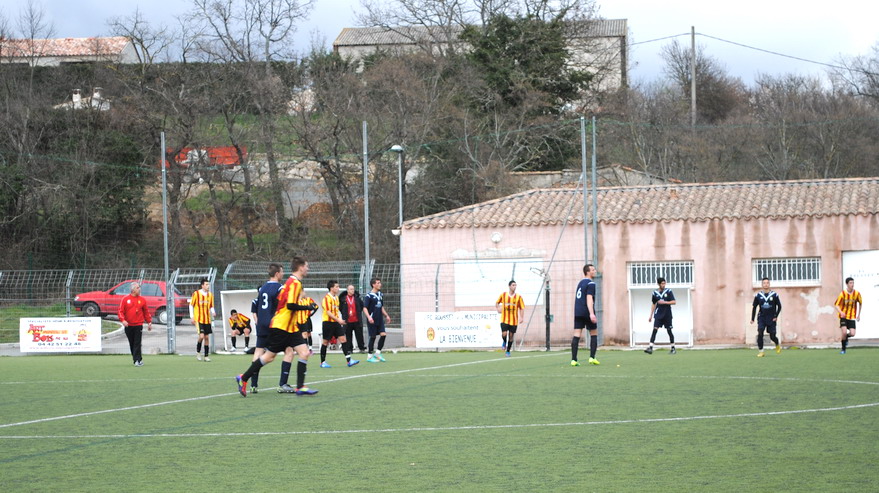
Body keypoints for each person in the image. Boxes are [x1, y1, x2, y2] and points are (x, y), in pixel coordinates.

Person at [235, 256, 319, 397]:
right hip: (281, 326)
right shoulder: (294, 283)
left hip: (290, 328)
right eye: (306, 266)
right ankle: (243, 378)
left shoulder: (292, 283)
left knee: (304, 352)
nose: (308, 269)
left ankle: (300, 387)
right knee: (268, 357)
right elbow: (290, 305)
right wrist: (306, 306)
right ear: (300, 267)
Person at [247, 263, 284, 393]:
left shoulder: (263, 288)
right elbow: (282, 306)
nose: (283, 274)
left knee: (258, 351)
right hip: (274, 324)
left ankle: (253, 384)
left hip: (262, 324)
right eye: (282, 272)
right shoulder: (280, 288)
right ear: (277, 273)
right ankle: (283, 384)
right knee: (289, 350)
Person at [319, 280, 360, 368]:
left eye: (338, 286)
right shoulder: (326, 298)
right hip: (328, 323)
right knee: (325, 342)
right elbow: (328, 312)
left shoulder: (336, 298)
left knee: (343, 339)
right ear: (331, 288)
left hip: (336, 323)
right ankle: (322, 362)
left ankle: (349, 361)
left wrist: (339, 319)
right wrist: (339, 320)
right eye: (336, 287)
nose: (338, 288)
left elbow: (336, 311)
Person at [571, 264, 600, 366]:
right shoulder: (591, 283)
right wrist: (591, 313)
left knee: (576, 334)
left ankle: (574, 360)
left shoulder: (580, 283)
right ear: (588, 272)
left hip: (578, 311)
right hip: (586, 311)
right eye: (593, 270)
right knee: (594, 333)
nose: (595, 271)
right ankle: (592, 357)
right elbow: (589, 298)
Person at [118, 282, 152, 366]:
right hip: (129, 325)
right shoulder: (125, 299)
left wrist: (149, 322)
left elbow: (146, 312)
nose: (139, 289)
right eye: (137, 288)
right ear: (133, 290)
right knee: (132, 343)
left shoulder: (142, 300)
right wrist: (123, 320)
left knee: (137, 342)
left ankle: (137, 360)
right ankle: (138, 359)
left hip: (138, 325)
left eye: (139, 287)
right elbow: (120, 311)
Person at [750, 277, 782, 357]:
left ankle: (777, 344)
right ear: (762, 284)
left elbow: (779, 306)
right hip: (762, 317)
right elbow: (754, 307)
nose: (766, 284)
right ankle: (761, 351)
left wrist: (776, 316)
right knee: (760, 332)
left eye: (767, 283)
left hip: (771, 318)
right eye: (764, 283)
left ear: (769, 284)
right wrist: (752, 318)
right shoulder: (758, 295)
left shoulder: (774, 295)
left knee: (772, 336)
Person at [645, 277, 677, 355]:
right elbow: (653, 304)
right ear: (659, 284)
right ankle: (650, 347)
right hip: (658, 314)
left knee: (669, 331)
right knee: (655, 330)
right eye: (662, 283)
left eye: (664, 283)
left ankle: (673, 348)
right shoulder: (655, 293)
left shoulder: (668, 291)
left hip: (667, 314)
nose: (664, 285)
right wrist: (650, 315)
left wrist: (665, 302)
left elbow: (674, 302)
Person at [364, 277, 392, 363]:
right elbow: (365, 308)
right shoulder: (368, 296)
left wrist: (386, 315)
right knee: (372, 337)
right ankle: (369, 356)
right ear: (373, 285)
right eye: (378, 283)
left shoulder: (380, 294)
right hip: (372, 319)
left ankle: (378, 353)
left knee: (383, 335)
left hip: (380, 319)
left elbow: (381, 307)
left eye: (380, 283)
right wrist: (369, 317)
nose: (380, 284)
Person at [496, 280, 525, 357]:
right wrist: (498, 309)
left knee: (511, 336)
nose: (514, 287)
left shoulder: (519, 297)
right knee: (504, 333)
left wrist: (521, 317)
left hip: (514, 320)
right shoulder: (503, 295)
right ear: (509, 286)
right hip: (504, 319)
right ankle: (504, 342)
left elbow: (522, 308)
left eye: (515, 285)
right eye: (513, 285)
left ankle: (508, 351)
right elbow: (497, 302)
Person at [835, 277, 863, 355]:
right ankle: (843, 349)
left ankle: (846, 338)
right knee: (844, 332)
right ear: (847, 284)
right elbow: (836, 305)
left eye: (853, 283)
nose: (852, 284)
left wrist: (858, 315)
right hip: (843, 317)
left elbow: (860, 303)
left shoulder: (857, 293)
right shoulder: (843, 294)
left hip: (852, 316)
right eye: (850, 283)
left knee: (853, 333)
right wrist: (841, 312)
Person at [190, 278, 215, 362]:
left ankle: (206, 356)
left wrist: (213, 312)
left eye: (208, 284)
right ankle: (198, 352)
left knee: (207, 337)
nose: (208, 286)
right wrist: (192, 316)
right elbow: (191, 305)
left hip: (207, 319)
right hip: (199, 319)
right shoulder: (196, 294)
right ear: (202, 285)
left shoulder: (210, 295)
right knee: (201, 336)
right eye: (206, 284)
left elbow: (211, 306)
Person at [339, 284, 366, 353]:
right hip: (348, 320)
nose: (352, 290)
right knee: (348, 335)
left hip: (357, 320)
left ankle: (361, 348)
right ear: (347, 290)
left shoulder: (357, 298)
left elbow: (361, 306)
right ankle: (349, 349)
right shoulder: (343, 299)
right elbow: (340, 308)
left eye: (353, 289)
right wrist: (344, 314)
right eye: (351, 289)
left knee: (359, 334)